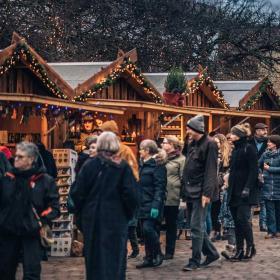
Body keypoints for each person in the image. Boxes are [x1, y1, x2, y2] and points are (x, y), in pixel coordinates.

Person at [70, 132, 138, 280]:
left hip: (93, 219)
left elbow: (77, 192)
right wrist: (127, 215)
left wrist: (82, 212)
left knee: (94, 258)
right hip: (116, 220)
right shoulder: (122, 166)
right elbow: (132, 195)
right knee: (115, 258)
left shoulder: (89, 165)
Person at [0, 142, 60, 279]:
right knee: (5, 272)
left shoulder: (45, 181)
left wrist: (41, 220)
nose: (16, 159)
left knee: (32, 273)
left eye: (21, 157)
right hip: (8, 232)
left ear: (31, 159)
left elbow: (54, 206)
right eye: (16, 156)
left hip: (32, 233)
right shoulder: (7, 179)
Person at [182, 115, 219, 271]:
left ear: (196, 129)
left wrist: (207, 193)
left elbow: (211, 170)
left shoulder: (210, 144)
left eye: (189, 128)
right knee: (194, 225)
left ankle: (195, 260)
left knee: (196, 226)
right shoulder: (192, 143)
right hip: (190, 190)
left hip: (201, 191)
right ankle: (211, 253)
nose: (187, 130)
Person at [227, 123, 258, 261]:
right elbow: (234, 170)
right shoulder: (235, 149)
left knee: (242, 220)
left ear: (239, 135)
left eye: (233, 133)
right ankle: (239, 250)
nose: (230, 135)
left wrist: (247, 188)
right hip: (233, 190)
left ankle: (250, 248)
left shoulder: (249, 148)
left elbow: (254, 170)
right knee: (237, 222)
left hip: (245, 191)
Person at [136, 140, 167, 269]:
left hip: (153, 203)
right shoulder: (143, 165)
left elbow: (160, 187)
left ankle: (158, 253)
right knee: (145, 231)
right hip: (143, 202)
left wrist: (156, 205)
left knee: (149, 229)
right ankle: (149, 258)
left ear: (147, 150)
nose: (139, 151)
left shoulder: (157, 166)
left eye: (141, 149)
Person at [161, 136, 185, 260]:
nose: (162, 144)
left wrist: (182, 198)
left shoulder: (181, 159)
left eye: (164, 142)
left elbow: (183, 179)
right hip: (159, 196)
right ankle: (155, 250)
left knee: (171, 225)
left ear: (172, 145)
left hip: (172, 197)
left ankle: (169, 251)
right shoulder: (161, 157)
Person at [259, 135, 280, 239]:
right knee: (269, 210)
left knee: (278, 210)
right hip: (267, 186)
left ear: (275, 144)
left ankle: (278, 231)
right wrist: (260, 174)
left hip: (278, 186)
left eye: (270, 142)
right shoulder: (265, 154)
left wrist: (270, 168)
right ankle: (271, 231)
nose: (268, 143)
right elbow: (257, 165)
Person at [211, 134, 231, 242]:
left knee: (224, 209)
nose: (215, 144)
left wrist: (222, 180)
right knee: (215, 209)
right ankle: (216, 230)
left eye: (217, 142)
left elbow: (228, 170)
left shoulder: (227, 155)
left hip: (224, 184)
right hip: (213, 185)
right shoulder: (211, 154)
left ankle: (226, 230)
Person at [249, 123, 268, 232]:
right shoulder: (249, 142)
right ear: (256, 131)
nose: (265, 132)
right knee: (250, 200)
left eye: (266, 130)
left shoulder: (268, 143)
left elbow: (270, 159)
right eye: (263, 130)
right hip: (251, 174)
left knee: (263, 201)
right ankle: (249, 222)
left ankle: (263, 224)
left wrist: (266, 169)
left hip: (264, 174)